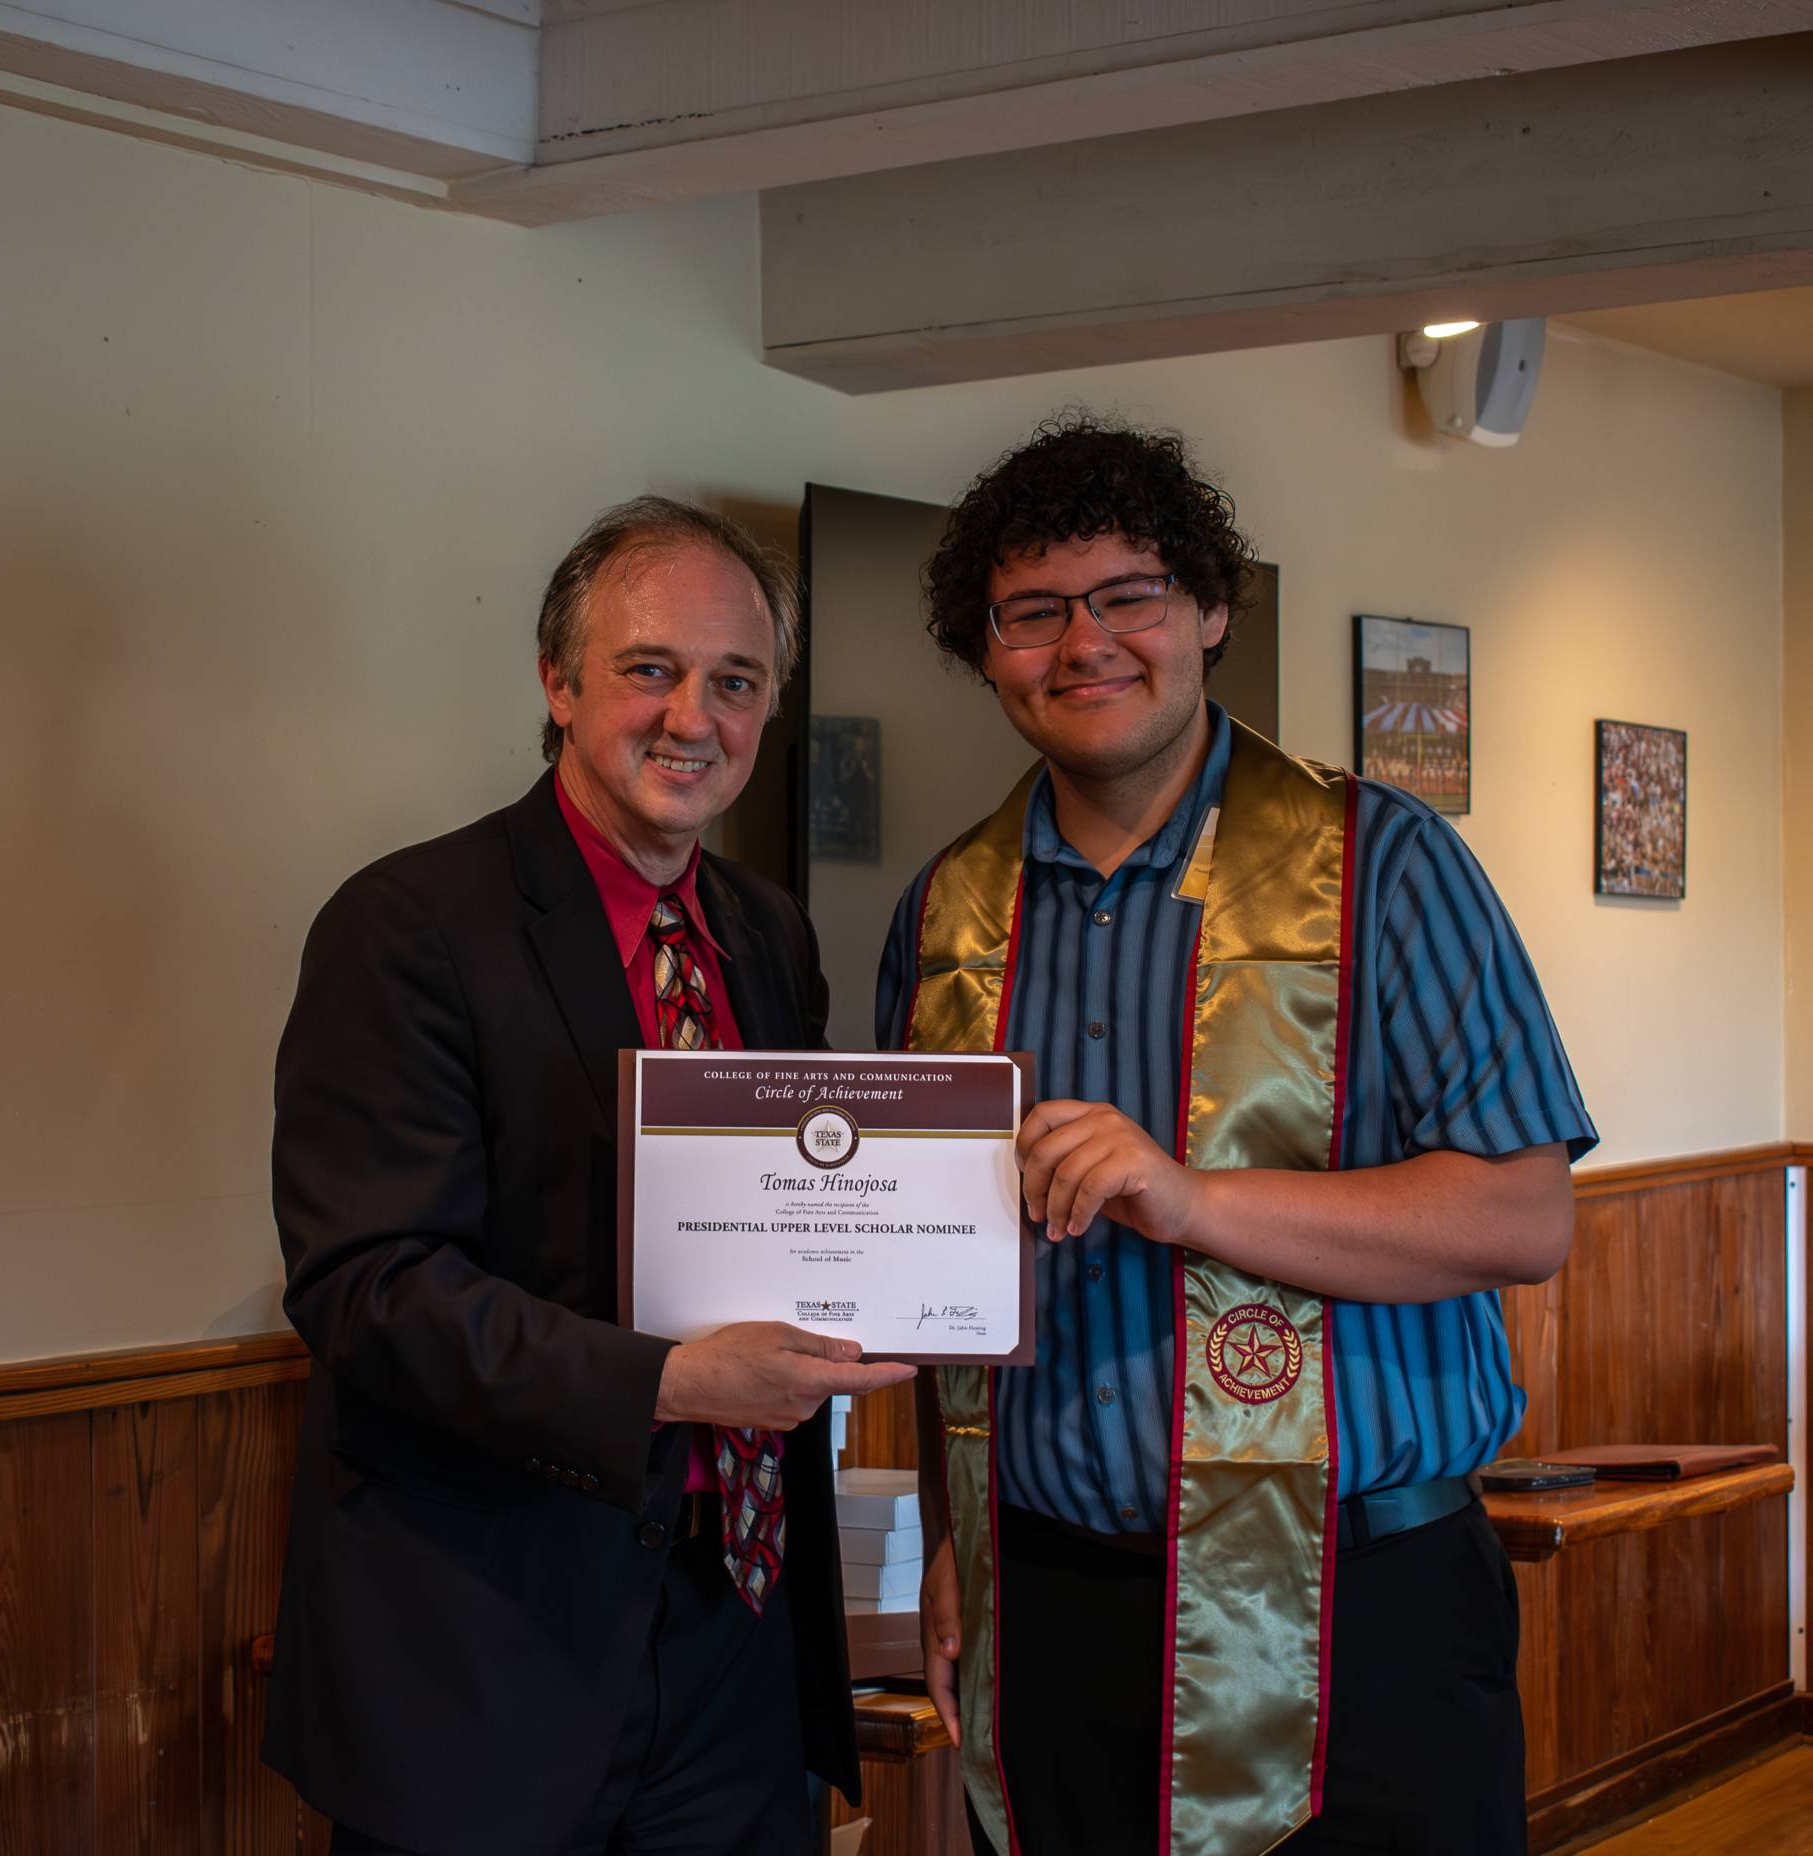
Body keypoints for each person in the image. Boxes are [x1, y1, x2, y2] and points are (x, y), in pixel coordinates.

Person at [877, 415, 1597, 1856]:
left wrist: (1189, 1198)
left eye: (1129, 594)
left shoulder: (1385, 865)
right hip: (1060, 1603)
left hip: (1358, 1611)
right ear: (988, 651)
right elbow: (928, 1263)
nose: (1085, 642)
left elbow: (1522, 1218)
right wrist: (955, 1547)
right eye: (1034, 612)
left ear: (1209, 610)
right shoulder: (949, 912)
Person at [266, 497, 911, 1854]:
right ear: (558, 685)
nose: (694, 716)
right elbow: (368, 1287)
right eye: (650, 669)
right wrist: (671, 1383)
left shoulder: (767, 937)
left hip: (739, 1635)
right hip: (489, 1656)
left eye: (736, 682)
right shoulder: (409, 927)